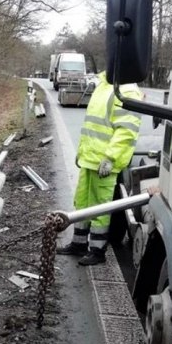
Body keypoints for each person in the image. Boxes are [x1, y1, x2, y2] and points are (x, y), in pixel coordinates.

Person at [56, 72, 143, 266]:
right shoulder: (103, 86)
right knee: (83, 203)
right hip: (90, 159)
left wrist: (111, 158)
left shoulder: (127, 90)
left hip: (104, 162)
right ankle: (78, 244)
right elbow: (90, 126)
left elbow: (126, 132)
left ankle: (97, 250)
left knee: (100, 208)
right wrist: (81, 153)